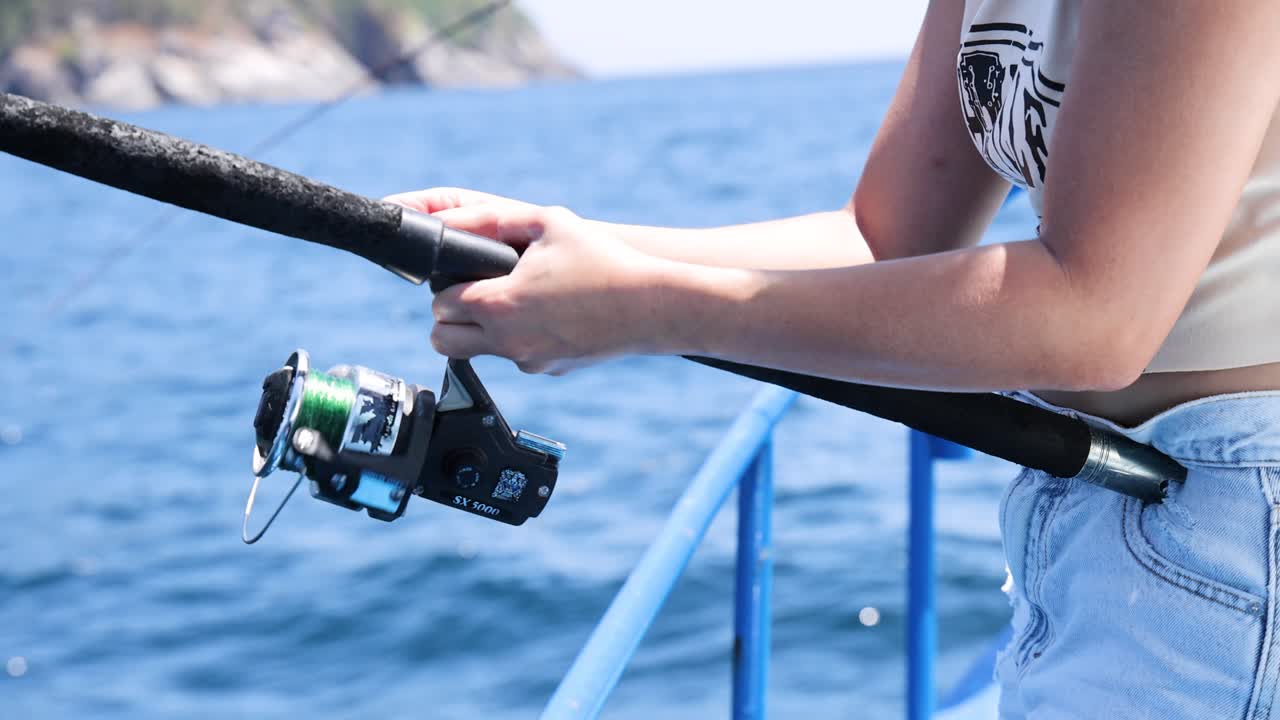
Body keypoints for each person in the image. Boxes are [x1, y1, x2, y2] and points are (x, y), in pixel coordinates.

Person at [387, 2, 1280, 717]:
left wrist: (647, 310)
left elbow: (1096, 314)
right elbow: (883, 237)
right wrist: (553, 245)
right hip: (1102, 502)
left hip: (1236, 522)